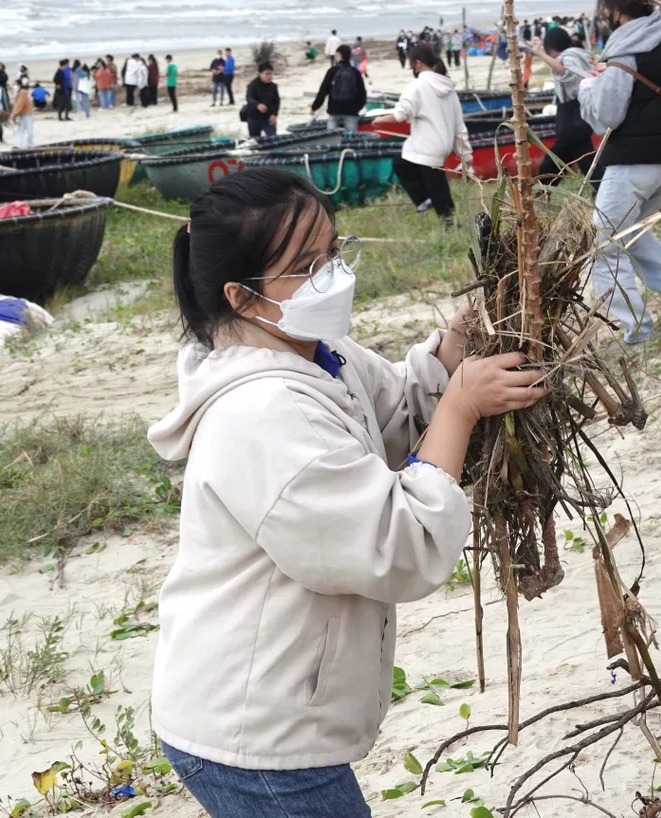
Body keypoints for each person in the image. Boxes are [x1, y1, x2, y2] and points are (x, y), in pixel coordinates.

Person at [148, 166, 544, 818]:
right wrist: (461, 409)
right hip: (251, 729)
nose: (332, 274)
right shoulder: (262, 416)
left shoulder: (311, 351)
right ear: (244, 298)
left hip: (275, 706)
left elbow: (385, 412)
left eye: (333, 252)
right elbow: (398, 546)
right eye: (307, 266)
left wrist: (446, 357)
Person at [579, 0, 661, 344]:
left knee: (603, 245)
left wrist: (587, 90)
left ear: (615, 12)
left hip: (634, 163)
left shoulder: (627, 49)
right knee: (628, 233)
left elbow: (606, 115)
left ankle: (636, 330)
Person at [373, 44, 472, 225]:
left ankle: (442, 216)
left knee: (408, 169)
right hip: (443, 144)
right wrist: (465, 154)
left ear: (418, 63)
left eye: (412, 64)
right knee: (433, 181)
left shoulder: (417, 86)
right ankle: (438, 210)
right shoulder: (448, 87)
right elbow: (459, 123)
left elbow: (401, 114)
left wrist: (380, 120)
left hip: (426, 143)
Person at [531, 28, 599, 189]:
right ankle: (542, 190)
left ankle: (541, 190)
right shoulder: (580, 54)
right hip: (579, 112)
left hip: (573, 113)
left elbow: (565, 70)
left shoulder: (569, 57)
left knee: (572, 155)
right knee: (570, 155)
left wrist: (540, 53)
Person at [310, 44, 367, 134]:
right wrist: (357, 108)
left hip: (334, 110)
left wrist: (314, 108)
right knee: (351, 141)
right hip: (351, 111)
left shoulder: (332, 71)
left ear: (339, 56)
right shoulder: (355, 72)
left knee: (332, 140)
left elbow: (323, 92)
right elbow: (362, 95)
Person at [245, 61, 280, 137]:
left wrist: (274, 114)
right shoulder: (252, 85)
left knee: (273, 139)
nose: (269, 76)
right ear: (260, 74)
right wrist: (258, 105)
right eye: (267, 74)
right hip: (254, 118)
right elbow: (249, 98)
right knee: (255, 142)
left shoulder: (273, 86)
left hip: (268, 118)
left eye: (270, 74)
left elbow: (277, 102)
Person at [10, 78, 34, 148]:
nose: (14, 86)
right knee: (21, 130)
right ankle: (19, 144)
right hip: (24, 114)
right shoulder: (21, 93)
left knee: (28, 130)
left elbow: (19, 104)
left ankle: (29, 144)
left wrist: (14, 114)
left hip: (27, 114)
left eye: (15, 84)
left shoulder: (22, 93)